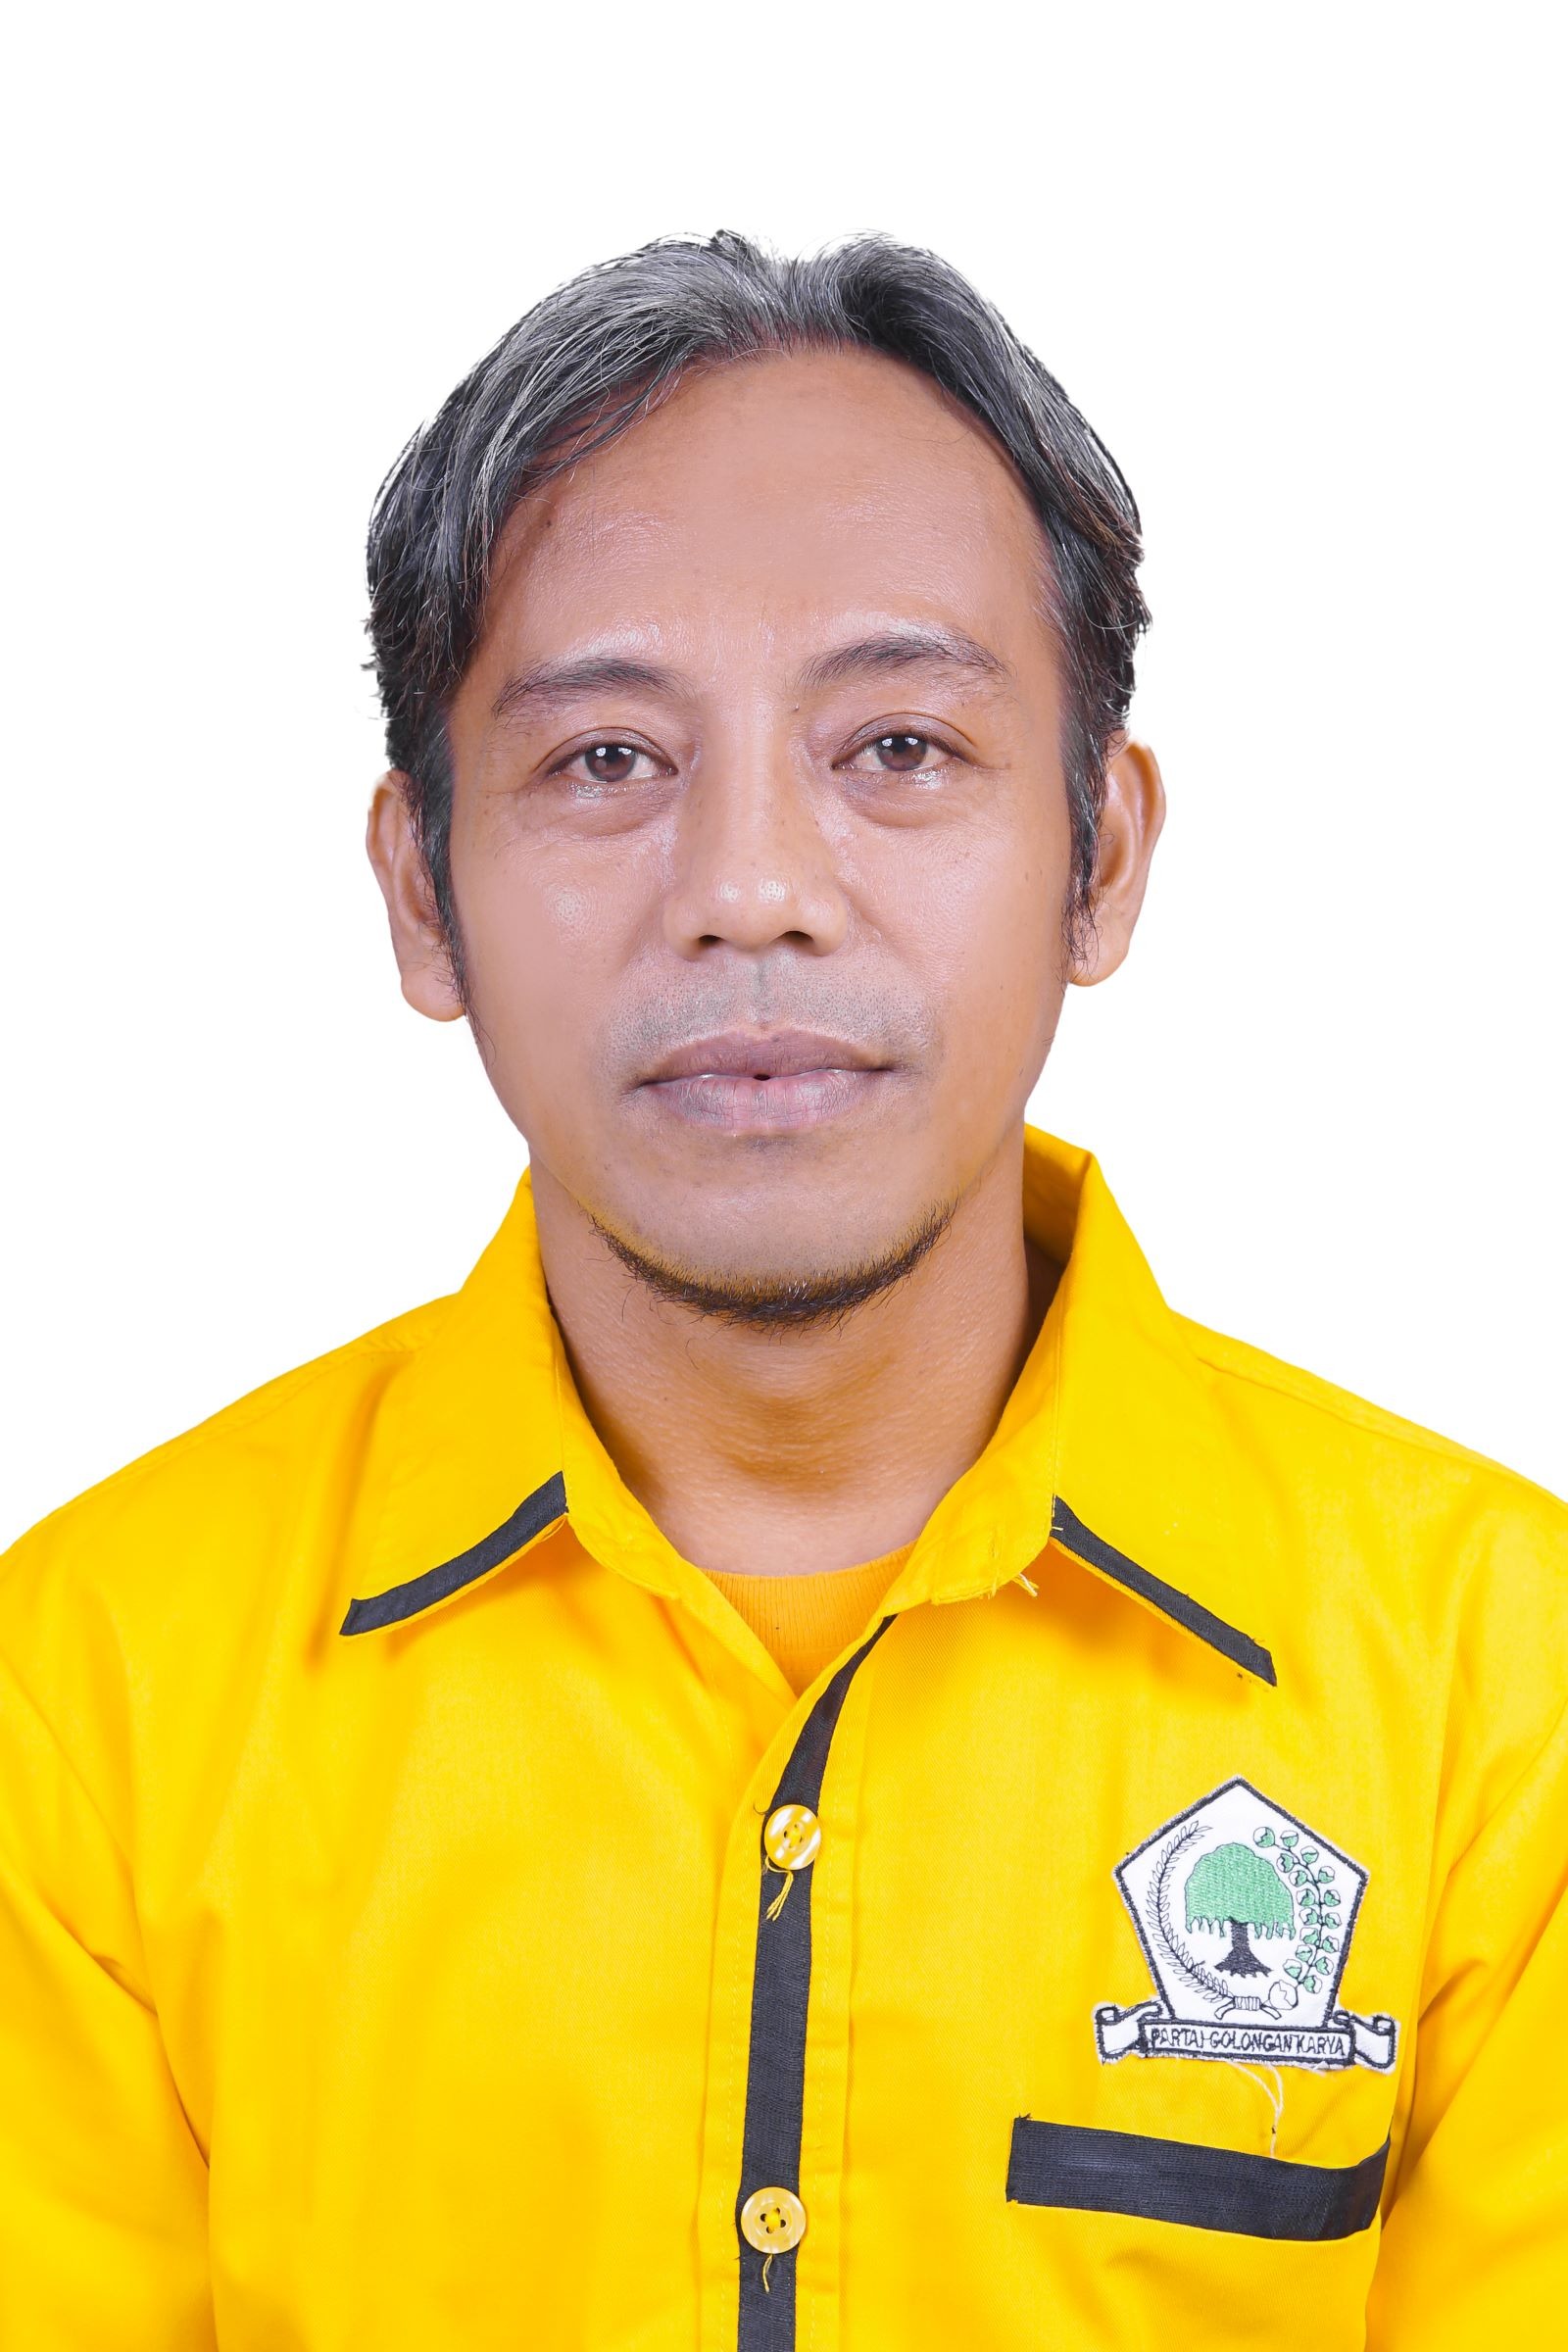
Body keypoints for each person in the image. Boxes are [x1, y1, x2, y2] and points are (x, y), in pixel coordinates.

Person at [0, 228, 1561, 2351]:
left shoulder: (1501, 1697)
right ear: (422, 891)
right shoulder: (91, 1696)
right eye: (605, 761)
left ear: (1100, 857)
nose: (750, 890)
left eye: (896, 746)